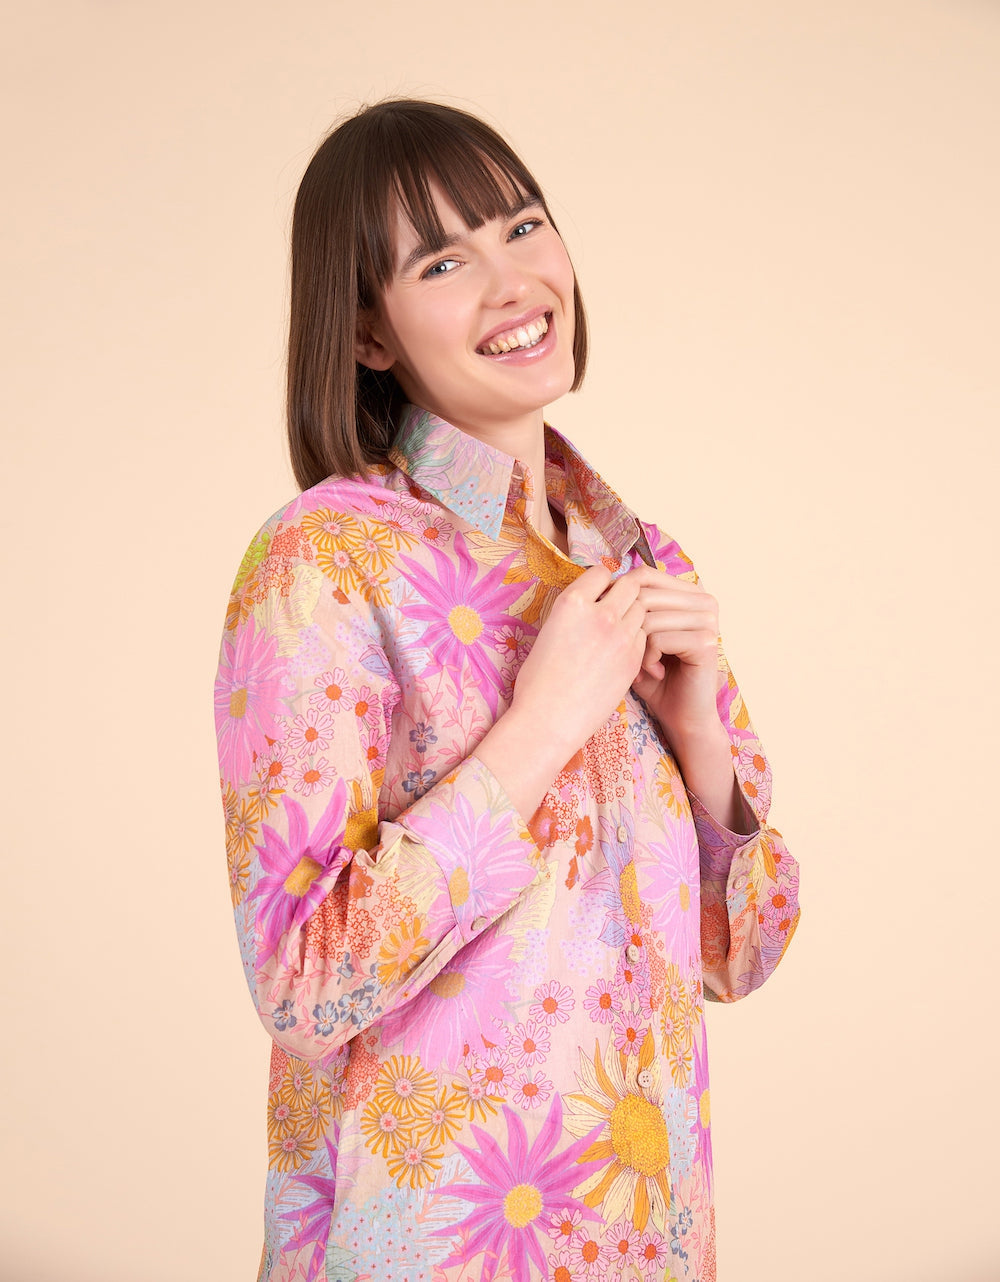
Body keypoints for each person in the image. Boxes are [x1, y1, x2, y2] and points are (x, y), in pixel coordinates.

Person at [214, 98, 800, 1282]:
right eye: (442, 262)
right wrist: (539, 727)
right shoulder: (324, 561)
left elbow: (738, 957)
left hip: (648, 1243)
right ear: (368, 334)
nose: (511, 282)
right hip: (421, 1247)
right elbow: (301, 981)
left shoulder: (638, 561)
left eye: (522, 226)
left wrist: (698, 740)